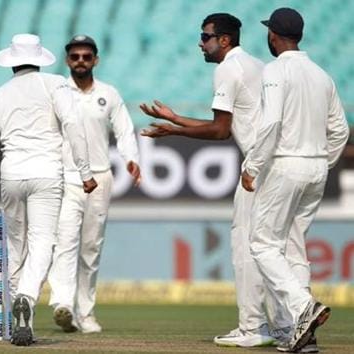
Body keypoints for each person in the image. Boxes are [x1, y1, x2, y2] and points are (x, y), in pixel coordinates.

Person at [0, 33, 97, 346]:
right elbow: (73, 126)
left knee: (16, 246)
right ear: (39, 59)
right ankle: (26, 298)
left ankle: (18, 309)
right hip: (47, 174)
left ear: (11, 62)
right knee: (43, 242)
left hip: (11, 174)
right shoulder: (55, 85)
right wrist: (85, 171)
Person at [141, 13, 284, 348]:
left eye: (205, 36)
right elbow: (226, 123)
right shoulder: (255, 65)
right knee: (273, 248)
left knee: (245, 247)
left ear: (224, 40)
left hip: (257, 167)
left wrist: (173, 131)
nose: (200, 43)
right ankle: (283, 324)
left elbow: (221, 131)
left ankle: (252, 327)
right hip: (276, 164)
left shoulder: (228, 68)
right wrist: (175, 118)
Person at [241, 8, 349, 352]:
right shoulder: (322, 75)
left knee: (261, 243)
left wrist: (253, 165)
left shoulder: (275, 71)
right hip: (316, 168)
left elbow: (271, 124)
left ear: (272, 35)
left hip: (286, 165)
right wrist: (321, 161)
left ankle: (304, 306)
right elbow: (341, 131)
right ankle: (303, 336)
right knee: (293, 246)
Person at [47, 35, 140, 334]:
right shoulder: (57, 92)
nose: (81, 62)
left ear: (95, 60)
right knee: (65, 242)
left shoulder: (108, 94)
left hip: (99, 178)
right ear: (67, 61)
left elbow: (124, 130)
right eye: (75, 56)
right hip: (67, 177)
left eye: (87, 56)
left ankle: (86, 313)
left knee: (91, 247)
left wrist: (131, 158)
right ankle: (63, 303)